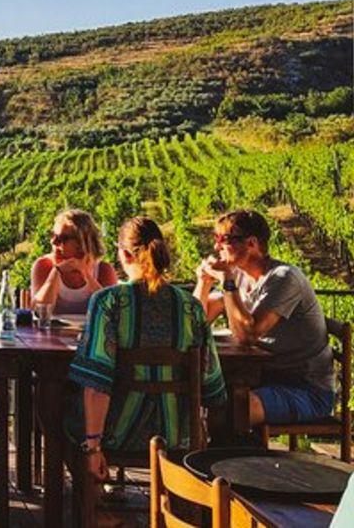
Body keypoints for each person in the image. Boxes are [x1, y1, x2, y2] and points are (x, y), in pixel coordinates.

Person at [69, 217, 226, 492]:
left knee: (57, 410)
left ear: (125, 254)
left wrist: (93, 447)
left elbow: (97, 384)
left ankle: (98, 506)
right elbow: (212, 386)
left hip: (119, 434)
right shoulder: (190, 306)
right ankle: (189, 502)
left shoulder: (109, 302)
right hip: (179, 436)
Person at [195, 209, 334, 427]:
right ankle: (226, 456)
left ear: (251, 243)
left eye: (225, 239)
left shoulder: (284, 278)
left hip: (305, 388)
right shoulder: (239, 274)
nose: (217, 247)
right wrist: (203, 282)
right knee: (204, 400)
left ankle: (235, 459)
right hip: (262, 377)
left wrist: (227, 283)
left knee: (234, 410)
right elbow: (195, 321)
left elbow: (247, 335)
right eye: (216, 238)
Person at [31, 209, 118, 315]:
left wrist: (86, 275)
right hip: (53, 331)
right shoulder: (43, 266)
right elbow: (40, 313)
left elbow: (111, 312)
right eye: (53, 235)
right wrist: (55, 272)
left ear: (82, 242)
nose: (53, 242)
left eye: (62, 238)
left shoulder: (104, 270)